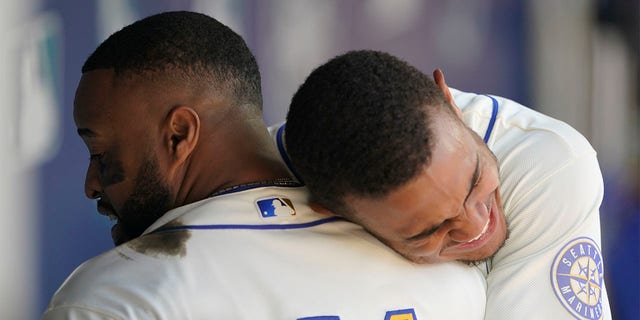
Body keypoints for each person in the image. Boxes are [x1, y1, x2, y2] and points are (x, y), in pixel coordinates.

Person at [42, 12, 488, 319]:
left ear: (179, 135)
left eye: (101, 154)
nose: (91, 183)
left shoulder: (120, 298)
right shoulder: (447, 265)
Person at [280, 50, 612, 320]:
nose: (477, 225)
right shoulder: (267, 207)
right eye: (433, 228)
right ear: (336, 212)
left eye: (475, 179)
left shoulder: (545, 162)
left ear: (450, 103)